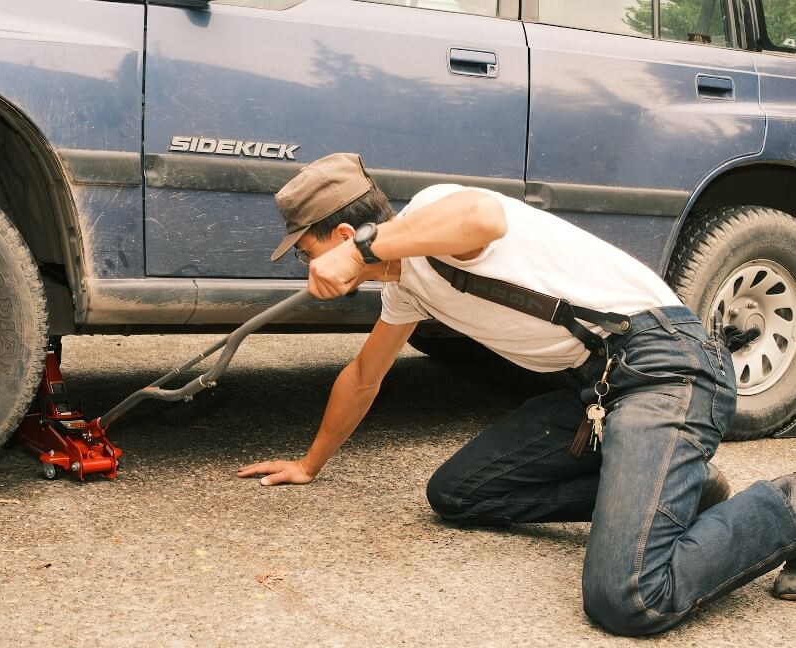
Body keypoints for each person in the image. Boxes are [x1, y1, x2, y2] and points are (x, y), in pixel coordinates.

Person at [236, 152, 796, 634]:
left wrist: (360, 250)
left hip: (666, 367)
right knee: (458, 495)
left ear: (339, 235)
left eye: (307, 251)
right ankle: (681, 493)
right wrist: (310, 464)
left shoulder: (437, 214)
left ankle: (786, 505)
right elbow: (364, 375)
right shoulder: (406, 288)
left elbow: (483, 215)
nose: (308, 266)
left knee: (630, 598)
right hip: (596, 389)